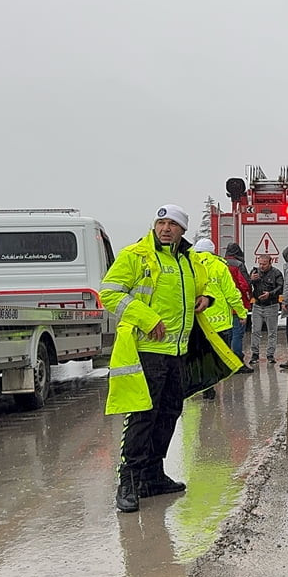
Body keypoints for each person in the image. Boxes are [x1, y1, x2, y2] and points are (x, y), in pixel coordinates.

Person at [99, 204, 242, 513]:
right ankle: (128, 481)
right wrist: (146, 317)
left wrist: (206, 299)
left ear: (182, 231)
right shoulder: (136, 255)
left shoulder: (188, 261)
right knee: (143, 416)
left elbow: (200, 289)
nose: (165, 228)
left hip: (178, 351)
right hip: (147, 351)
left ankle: (152, 475)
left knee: (169, 413)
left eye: (172, 224)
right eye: (161, 222)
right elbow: (109, 292)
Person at [194, 239, 253, 397]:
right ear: (213, 251)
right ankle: (211, 385)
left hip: (197, 322)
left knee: (200, 355)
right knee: (217, 357)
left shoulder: (188, 266)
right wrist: (242, 312)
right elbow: (232, 293)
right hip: (219, 323)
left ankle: (204, 387)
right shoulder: (220, 266)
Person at [248, 253, 283, 365]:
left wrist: (270, 294)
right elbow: (246, 286)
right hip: (257, 305)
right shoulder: (255, 272)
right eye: (260, 264)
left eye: (264, 264)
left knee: (272, 332)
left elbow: (281, 287)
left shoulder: (276, 273)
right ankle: (255, 354)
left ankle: (270, 355)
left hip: (271, 305)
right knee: (255, 331)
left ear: (270, 263)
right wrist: (251, 280)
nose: (262, 266)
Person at [223, 242, 252, 362]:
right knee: (237, 334)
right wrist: (249, 295)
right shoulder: (238, 265)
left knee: (227, 334)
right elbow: (244, 284)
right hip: (237, 304)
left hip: (223, 306)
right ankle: (237, 359)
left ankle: (227, 359)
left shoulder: (220, 263)